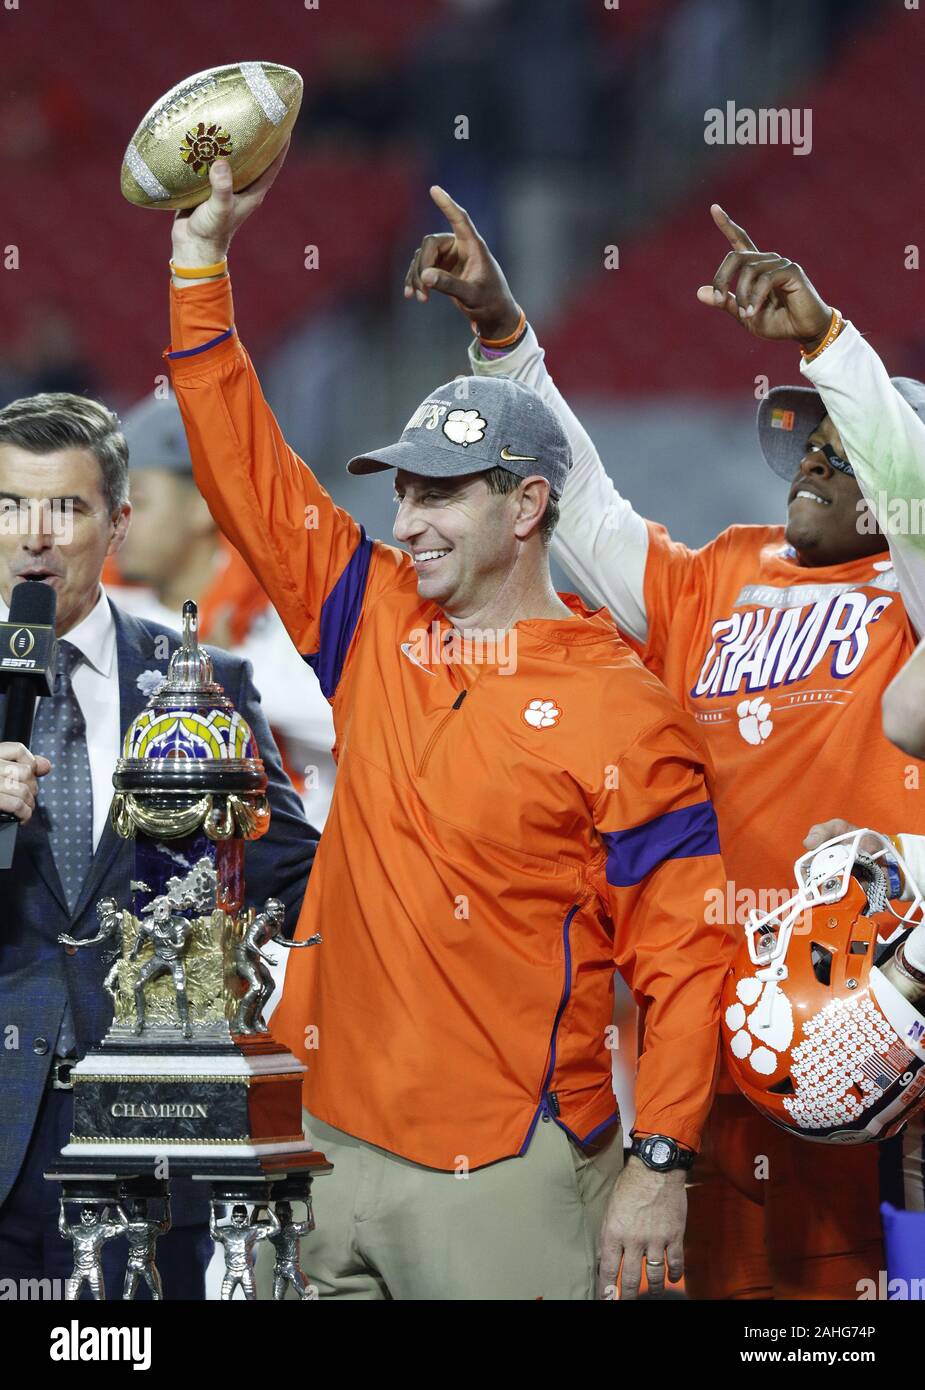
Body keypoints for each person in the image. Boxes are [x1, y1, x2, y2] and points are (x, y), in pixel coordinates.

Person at [163, 149, 734, 1301]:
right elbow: (244, 470)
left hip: (507, 1169)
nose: (406, 516)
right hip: (322, 1140)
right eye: (402, 489)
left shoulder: (624, 706)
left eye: (440, 491)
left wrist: (661, 1159)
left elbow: (688, 957)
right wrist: (199, 261)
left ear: (527, 505)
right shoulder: (367, 612)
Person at [404, 189, 925, 1299]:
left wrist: (826, 343)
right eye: (802, 442)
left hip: (866, 1036)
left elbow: (914, 494)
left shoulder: (910, 599)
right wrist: (505, 336)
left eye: (843, 451)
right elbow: (579, 505)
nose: (811, 465)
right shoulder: (717, 571)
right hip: (704, 1033)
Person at [0, 389, 318, 1298]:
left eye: (65, 507)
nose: (35, 536)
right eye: (9, 506)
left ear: (118, 524)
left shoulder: (203, 680)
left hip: (156, 1141)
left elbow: (292, 874)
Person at [107, 390, 336, 826]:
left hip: (295, 862)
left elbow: (363, 722)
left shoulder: (289, 603)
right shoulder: (111, 609)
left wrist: (226, 676)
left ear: (201, 507)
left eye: (141, 499)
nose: (121, 518)